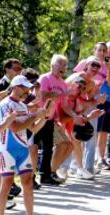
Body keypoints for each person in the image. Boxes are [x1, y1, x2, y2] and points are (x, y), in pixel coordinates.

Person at [0, 75, 50, 215]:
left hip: (22, 148)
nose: (27, 91)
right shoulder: (4, 105)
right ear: (16, 87)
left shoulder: (23, 106)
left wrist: (44, 117)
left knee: (28, 182)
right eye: (24, 87)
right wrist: (34, 116)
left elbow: (32, 129)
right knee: (6, 183)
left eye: (28, 88)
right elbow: (16, 127)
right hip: (7, 148)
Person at [37, 54, 71, 185]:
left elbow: (64, 104)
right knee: (34, 147)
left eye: (64, 65)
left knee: (48, 148)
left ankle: (46, 176)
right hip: (38, 117)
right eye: (60, 64)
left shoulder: (63, 83)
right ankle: (36, 176)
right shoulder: (45, 78)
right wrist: (60, 94)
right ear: (52, 65)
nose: (62, 67)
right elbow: (43, 95)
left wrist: (73, 116)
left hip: (50, 118)